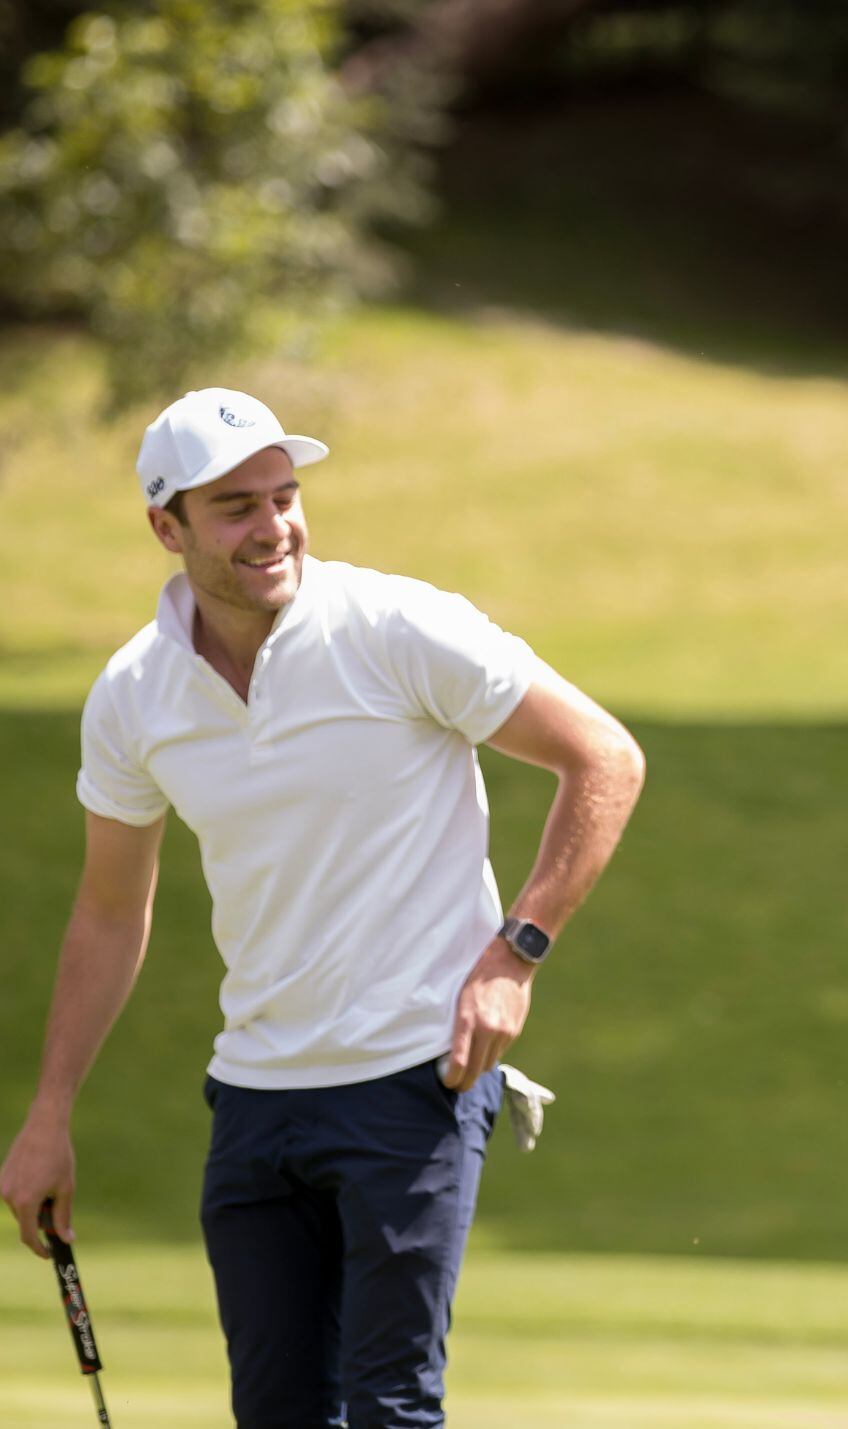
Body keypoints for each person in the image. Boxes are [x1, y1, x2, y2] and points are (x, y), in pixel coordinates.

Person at [0, 389, 647, 1428]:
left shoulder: (394, 626)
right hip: (253, 1097)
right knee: (277, 1413)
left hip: (411, 1077)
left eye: (285, 495)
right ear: (166, 528)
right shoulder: (133, 693)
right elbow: (109, 909)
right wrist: (48, 1116)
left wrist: (512, 954)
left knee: (389, 1408)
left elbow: (604, 759)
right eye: (235, 506)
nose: (274, 526)